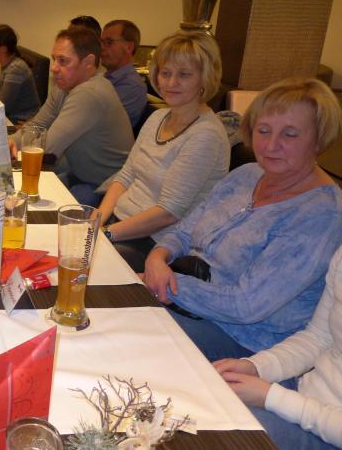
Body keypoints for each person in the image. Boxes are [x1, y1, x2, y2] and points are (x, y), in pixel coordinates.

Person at [143, 77, 342, 361]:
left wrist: (167, 283)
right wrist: (157, 257)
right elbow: (186, 231)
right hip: (186, 297)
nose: (271, 145)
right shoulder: (246, 175)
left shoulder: (322, 214)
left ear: (318, 139)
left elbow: (246, 306)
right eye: (263, 130)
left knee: (130, 334)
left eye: (290, 134)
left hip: (244, 340)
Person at [96, 31, 229, 272]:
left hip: (155, 242)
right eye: (166, 73)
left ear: (205, 78)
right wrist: (96, 220)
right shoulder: (158, 117)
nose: (171, 83)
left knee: (79, 264)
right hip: (119, 225)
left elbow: (168, 213)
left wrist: (104, 234)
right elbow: (125, 176)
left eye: (184, 74)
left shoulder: (205, 135)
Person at [214, 245, 342, 449]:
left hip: (327, 430)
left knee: (226, 432)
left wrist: (272, 397)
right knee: (208, 398)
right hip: (302, 394)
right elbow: (319, 337)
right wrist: (256, 367)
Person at [10, 27, 134, 206]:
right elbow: (36, 127)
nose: (54, 68)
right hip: (79, 173)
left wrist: (11, 148)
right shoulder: (64, 86)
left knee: (30, 207)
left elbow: (47, 150)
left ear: (88, 62)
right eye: (54, 59)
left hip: (105, 186)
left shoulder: (89, 93)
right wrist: (10, 142)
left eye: (63, 61)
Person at [100, 20, 148, 127]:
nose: (102, 47)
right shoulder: (105, 78)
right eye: (101, 42)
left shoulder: (132, 86)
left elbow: (99, 125)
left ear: (129, 47)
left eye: (109, 42)